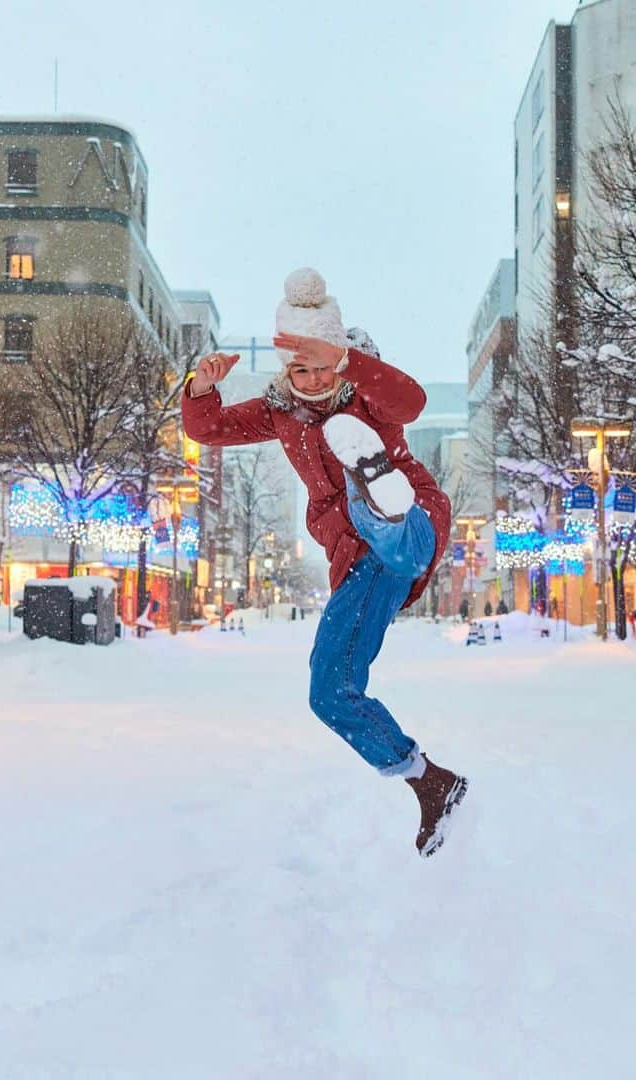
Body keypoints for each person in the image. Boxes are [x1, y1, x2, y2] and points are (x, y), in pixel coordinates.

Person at [183, 268, 467, 858]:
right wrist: (200, 388)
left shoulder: (368, 395)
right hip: (355, 565)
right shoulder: (280, 410)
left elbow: (410, 401)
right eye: (299, 368)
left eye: (320, 365)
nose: (310, 379)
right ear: (286, 371)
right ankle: (429, 780)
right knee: (329, 691)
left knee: (392, 533)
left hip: (411, 520)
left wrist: (348, 362)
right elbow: (209, 429)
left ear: (337, 358)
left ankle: (378, 495)